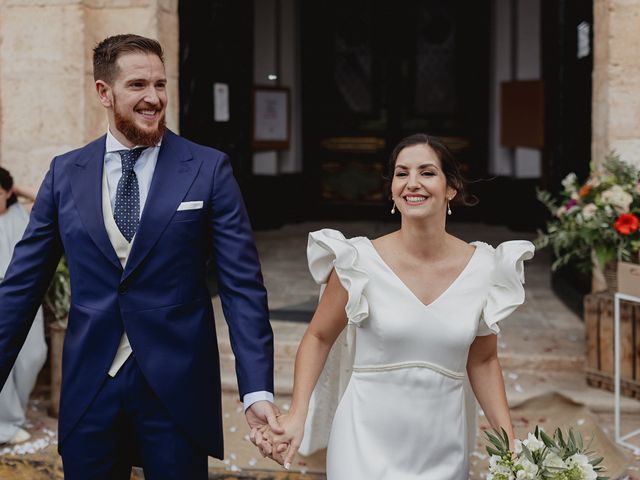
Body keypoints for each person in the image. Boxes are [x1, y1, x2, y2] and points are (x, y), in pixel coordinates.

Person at [0, 34, 281, 479]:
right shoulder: (64, 173)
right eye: (137, 85)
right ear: (103, 93)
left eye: (160, 85)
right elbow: (20, 286)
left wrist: (257, 389)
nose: (154, 98)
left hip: (176, 388)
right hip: (90, 386)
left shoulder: (208, 169)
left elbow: (242, 287)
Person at [256, 134, 535, 478]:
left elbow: (483, 359)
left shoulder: (484, 268)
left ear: (451, 188)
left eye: (427, 172)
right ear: (391, 190)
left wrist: (509, 445)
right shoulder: (357, 261)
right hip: (363, 444)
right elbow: (318, 337)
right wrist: (297, 414)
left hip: (442, 446)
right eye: (402, 173)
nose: (412, 183)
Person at [0, 168, 46, 445]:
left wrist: (16, 187)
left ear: (6, 192)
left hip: (25, 295)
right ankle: (6, 423)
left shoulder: (22, 214)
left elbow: (49, 200)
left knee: (33, 355)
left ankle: (15, 413)